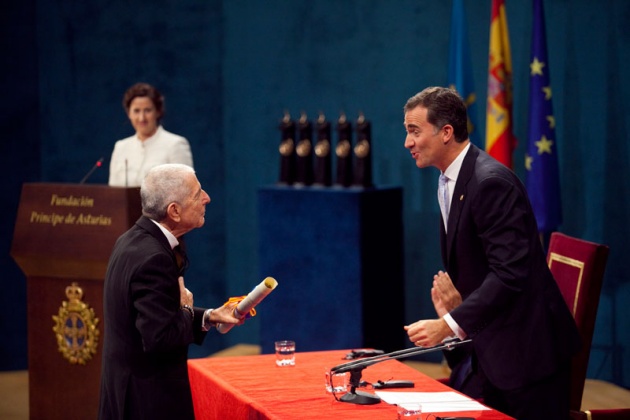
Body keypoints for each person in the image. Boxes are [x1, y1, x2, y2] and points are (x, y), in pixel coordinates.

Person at [402, 87, 581, 419]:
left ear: (446, 132)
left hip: (527, 358)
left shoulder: (490, 183)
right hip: (492, 352)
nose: (407, 142)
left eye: (414, 131)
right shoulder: (449, 180)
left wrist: (448, 324)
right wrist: (459, 306)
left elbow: (510, 274)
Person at [98, 163, 243, 419]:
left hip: (126, 393)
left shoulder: (131, 240)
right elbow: (159, 338)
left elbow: (154, 314)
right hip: (148, 402)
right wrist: (186, 307)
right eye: (198, 194)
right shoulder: (154, 258)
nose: (207, 198)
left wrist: (209, 316)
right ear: (174, 211)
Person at [108, 82, 194, 187]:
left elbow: (185, 190)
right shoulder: (120, 147)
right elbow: (112, 193)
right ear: (128, 113)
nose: (142, 118)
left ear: (158, 112)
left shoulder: (175, 144)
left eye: (147, 110)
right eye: (136, 111)